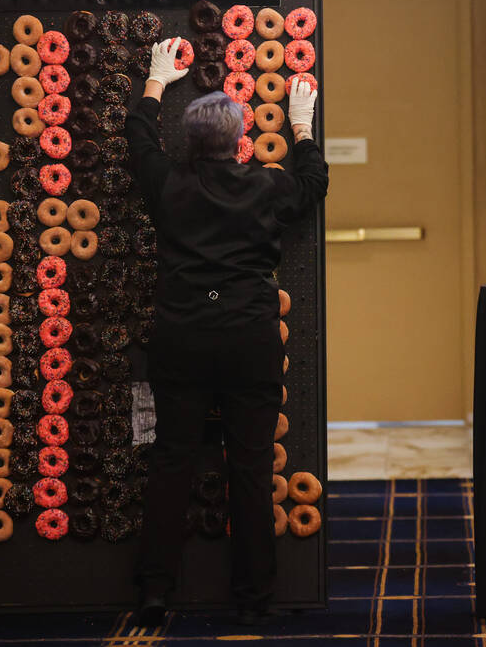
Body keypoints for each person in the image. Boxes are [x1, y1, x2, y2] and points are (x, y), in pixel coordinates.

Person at [126, 38, 328, 626]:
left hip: (182, 338)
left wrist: (156, 80)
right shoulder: (265, 186)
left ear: (189, 141)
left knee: (171, 462)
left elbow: (138, 143)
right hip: (248, 339)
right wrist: (301, 124)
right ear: (240, 138)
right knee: (251, 465)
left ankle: (155, 591)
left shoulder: (167, 183)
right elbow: (313, 182)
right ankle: (253, 596)